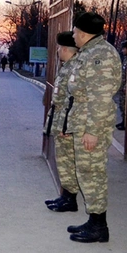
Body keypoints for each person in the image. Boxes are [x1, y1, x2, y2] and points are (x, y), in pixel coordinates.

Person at [63, 12, 121, 243]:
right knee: (86, 172)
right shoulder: (90, 52)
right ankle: (94, 221)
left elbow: (101, 97)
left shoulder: (101, 55)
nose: (73, 36)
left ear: (84, 33)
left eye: (75, 31)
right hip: (84, 119)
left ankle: (99, 227)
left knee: (92, 173)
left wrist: (92, 131)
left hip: (92, 122)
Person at [43, 31, 80, 213]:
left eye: (58, 48)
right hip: (60, 121)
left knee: (67, 161)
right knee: (63, 161)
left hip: (67, 123)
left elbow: (74, 100)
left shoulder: (75, 68)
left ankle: (70, 199)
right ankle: (66, 197)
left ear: (65, 49)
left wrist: (68, 125)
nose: (57, 51)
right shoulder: (67, 66)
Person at [115, 40, 127, 130]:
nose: (123, 51)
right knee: (122, 105)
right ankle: (123, 121)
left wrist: (126, 86)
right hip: (122, 86)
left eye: (124, 49)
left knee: (125, 105)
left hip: (125, 87)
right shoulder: (125, 59)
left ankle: (125, 123)